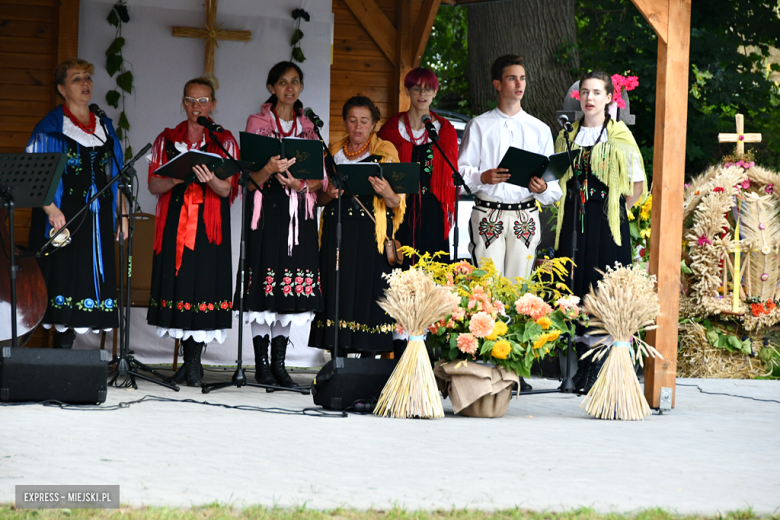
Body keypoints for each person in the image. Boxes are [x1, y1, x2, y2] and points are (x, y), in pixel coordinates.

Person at [554, 71, 647, 392]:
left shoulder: (619, 135)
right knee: (574, 284)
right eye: (585, 92)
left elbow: (636, 185)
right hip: (574, 220)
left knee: (602, 285)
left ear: (610, 98)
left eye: (597, 92)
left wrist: (616, 211)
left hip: (606, 223)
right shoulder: (568, 137)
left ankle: (599, 365)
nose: (590, 98)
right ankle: (578, 366)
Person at [26, 58, 126, 348]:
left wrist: (123, 214)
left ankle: (77, 353)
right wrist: (52, 209)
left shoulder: (104, 127)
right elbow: (34, 175)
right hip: (64, 214)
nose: (85, 84)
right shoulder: (51, 127)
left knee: (89, 276)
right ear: (61, 88)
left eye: (87, 78)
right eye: (76, 79)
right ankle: (62, 347)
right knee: (64, 275)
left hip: (98, 218)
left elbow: (115, 175)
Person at [146, 76, 239, 387]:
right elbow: (153, 185)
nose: (195, 106)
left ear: (212, 104)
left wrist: (209, 178)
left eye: (202, 101)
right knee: (180, 286)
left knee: (203, 287)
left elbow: (227, 191)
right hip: (174, 223)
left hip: (209, 227)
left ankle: (195, 363)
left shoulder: (224, 142)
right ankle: (188, 364)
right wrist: (178, 176)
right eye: (190, 100)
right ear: (183, 103)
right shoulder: (166, 139)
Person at [239, 61, 325, 388]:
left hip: (298, 216)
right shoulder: (258, 122)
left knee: (287, 286)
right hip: (266, 214)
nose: (290, 88)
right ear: (272, 87)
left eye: (295, 82)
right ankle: (261, 364)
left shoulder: (309, 127)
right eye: (283, 82)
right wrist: (268, 169)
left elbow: (322, 180)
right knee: (264, 282)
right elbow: (247, 181)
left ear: (301, 87)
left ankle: (279, 364)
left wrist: (301, 186)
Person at [310, 96, 405, 357]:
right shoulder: (333, 151)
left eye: (364, 121)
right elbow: (318, 199)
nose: (358, 126)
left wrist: (386, 191)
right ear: (345, 122)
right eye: (352, 120)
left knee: (367, 292)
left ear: (374, 124)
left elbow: (398, 203)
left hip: (369, 235)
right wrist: (329, 193)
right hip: (336, 230)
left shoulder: (386, 152)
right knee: (336, 290)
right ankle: (337, 360)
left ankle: (367, 361)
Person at [458, 54, 561, 281]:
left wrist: (542, 187)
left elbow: (552, 184)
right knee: (486, 286)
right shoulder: (478, 126)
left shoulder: (540, 129)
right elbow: (460, 176)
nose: (519, 84)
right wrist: (482, 176)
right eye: (512, 78)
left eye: (522, 78)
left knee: (520, 285)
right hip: (488, 212)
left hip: (525, 214)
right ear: (497, 84)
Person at [377, 67, 458, 264]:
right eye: (417, 88)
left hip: (433, 211)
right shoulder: (390, 130)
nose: (423, 94)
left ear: (435, 92)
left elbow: (450, 175)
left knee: (433, 270)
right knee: (399, 269)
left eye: (428, 89)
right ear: (407, 91)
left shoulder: (444, 132)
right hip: (398, 209)